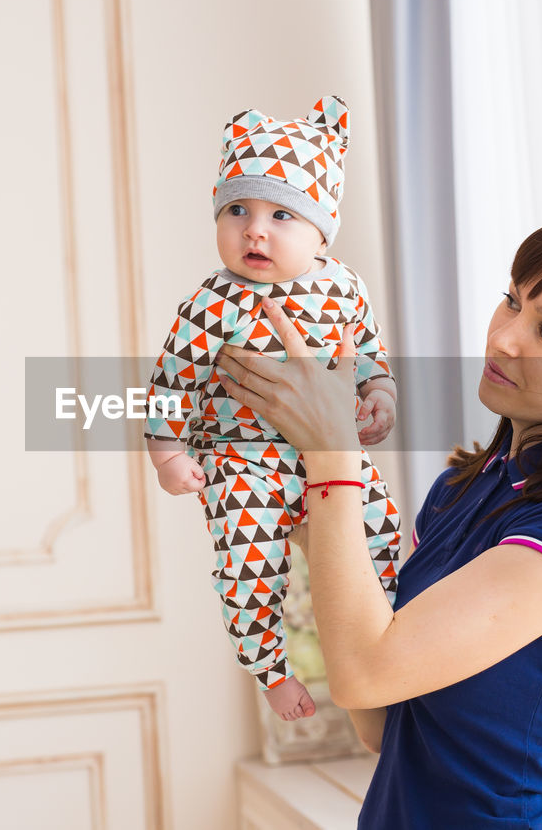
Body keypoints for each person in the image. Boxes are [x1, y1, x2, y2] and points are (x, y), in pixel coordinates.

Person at [215, 220, 542, 828]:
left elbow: (364, 675)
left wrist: (332, 456)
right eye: (513, 300)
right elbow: (383, 722)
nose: (505, 338)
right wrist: (311, 515)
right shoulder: (463, 489)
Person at [144, 96, 402, 722]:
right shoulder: (213, 301)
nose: (254, 229)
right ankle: (272, 671)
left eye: (280, 215)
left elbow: (366, 351)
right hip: (243, 461)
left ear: (321, 231)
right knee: (247, 563)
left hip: (332, 454)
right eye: (238, 210)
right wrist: (169, 454)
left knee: (384, 534)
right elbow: (172, 381)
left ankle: (397, 632)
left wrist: (379, 393)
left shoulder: (344, 286)